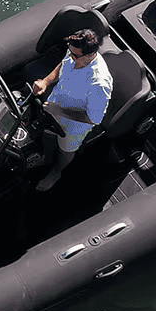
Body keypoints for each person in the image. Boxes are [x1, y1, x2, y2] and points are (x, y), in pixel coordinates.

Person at [30, 28, 113, 191]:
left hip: (75, 124)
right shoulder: (75, 55)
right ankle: (46, 157)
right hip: (55, 104)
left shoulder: (100, 83)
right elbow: (64, 63)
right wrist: (46, 82)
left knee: (65, 150)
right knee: (48, 133)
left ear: (90, 55)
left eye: (74, 55)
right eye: (70, 52)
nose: (71, 56)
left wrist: (61, 112)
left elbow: (94, 119)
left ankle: (56, 171)